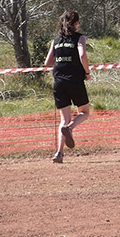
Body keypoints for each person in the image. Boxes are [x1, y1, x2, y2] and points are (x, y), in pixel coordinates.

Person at [43, 10, 92, 163]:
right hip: (75, 81)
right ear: (76, 23)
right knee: (84, 112)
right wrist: (87, 72)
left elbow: (47, 62)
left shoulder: (56, 39)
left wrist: (61, 59)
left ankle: (58, 153)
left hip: (59, 82)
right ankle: (70, 128)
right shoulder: (80, 38)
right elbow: (82, 55)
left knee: (63, 119)